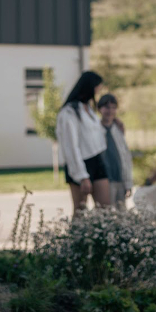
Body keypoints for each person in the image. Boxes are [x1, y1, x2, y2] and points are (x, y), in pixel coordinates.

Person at [56, 71, 111, 215]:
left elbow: (95, 135)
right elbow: (70, 146)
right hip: (80, 163)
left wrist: (112, 122)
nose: (99, 90)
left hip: (97, 160)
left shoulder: (88, 109)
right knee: (80, 210)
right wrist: (82, 176)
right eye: (98, 87)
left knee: (105, 209)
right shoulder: (69, 113)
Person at [97, 94, 134, 209]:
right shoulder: (95, 129)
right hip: (105, 179)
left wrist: (128, 182)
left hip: (120, 178)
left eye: (113, 108)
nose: (110, 111)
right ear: (100, 109)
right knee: (105, 211)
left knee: (122, 211)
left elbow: (125, 156)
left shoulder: (118, 129)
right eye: (107, 107)